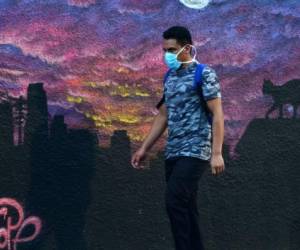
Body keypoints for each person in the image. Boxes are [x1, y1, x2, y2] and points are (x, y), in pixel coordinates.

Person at [131, 25, 225, 250]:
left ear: (187, 47)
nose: (167, 55)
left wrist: (217, 153)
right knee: (187, 206)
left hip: (195, 150)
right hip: (174, 151)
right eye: (164, 50)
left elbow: (218, 114)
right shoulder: (169, 77)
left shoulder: (204, 73)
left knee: (174, 201)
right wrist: (145, 148)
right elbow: (163, 115)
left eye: (172, 50)